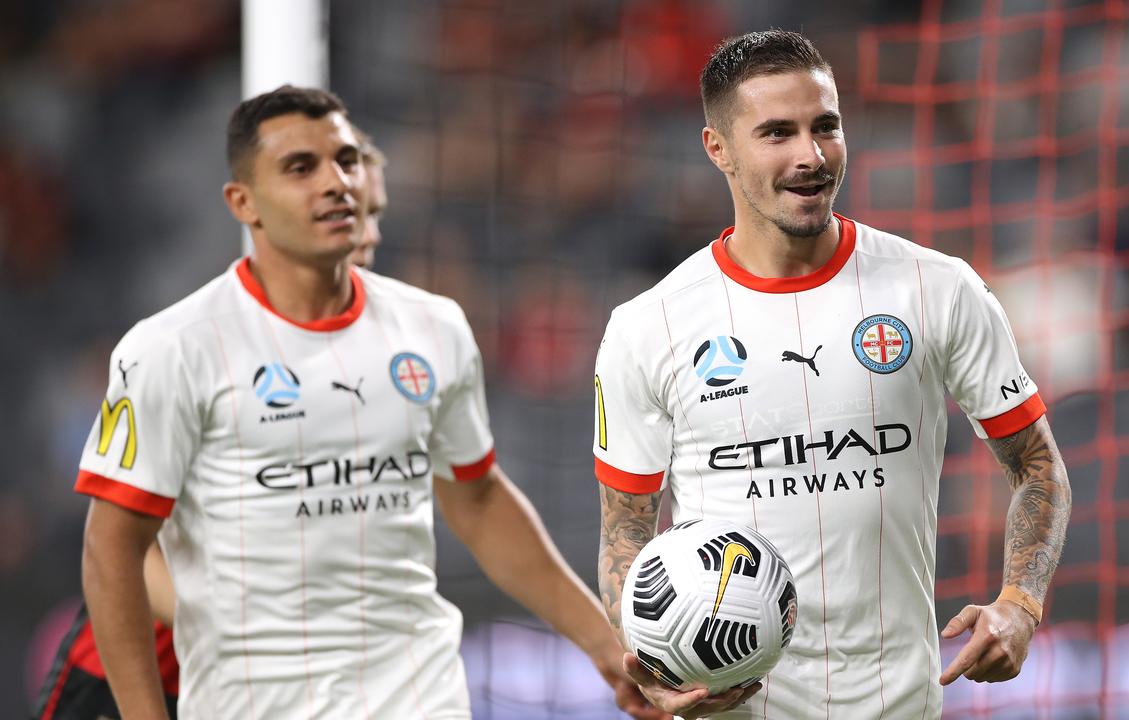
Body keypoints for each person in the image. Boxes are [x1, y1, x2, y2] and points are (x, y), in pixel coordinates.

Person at [75, 85, 662, 719]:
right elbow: (111, 549)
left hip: (418, 695)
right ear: (242, 202)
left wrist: (606, 649)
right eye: (301, 167)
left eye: (347, 161)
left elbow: (481, 499)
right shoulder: (172, 349)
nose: (336, 182)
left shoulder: (432, 327)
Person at [594, 30, 1071, 718]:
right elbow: (624, 530)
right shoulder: (649, 326)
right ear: (717, 149)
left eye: (826, 127)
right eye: (777, 133)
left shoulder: (936, 289)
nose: (810, 157)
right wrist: (653, 660)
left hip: (900, 704)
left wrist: (1020, 604)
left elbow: (1037, 464)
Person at [32, 131, 392, 720]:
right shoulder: (209, 357)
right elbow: (125, 553)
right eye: (349, 214)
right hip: (130, 684)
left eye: (374, 216)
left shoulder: (380, 374)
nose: (368, 234)